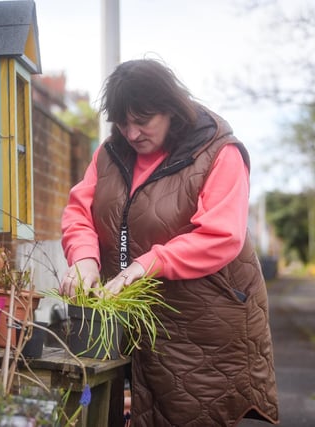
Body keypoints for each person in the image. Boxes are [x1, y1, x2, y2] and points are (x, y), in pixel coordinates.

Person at [59, 59, 279, 426]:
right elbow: (79, 211)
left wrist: (149, 264)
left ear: (172, 110)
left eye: (142, 121)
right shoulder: (109, 154)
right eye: (122, 122)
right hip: (131, 326)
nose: (131, 133)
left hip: (203, 331)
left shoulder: (219, 152)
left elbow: (220, 235)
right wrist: (84, 259)